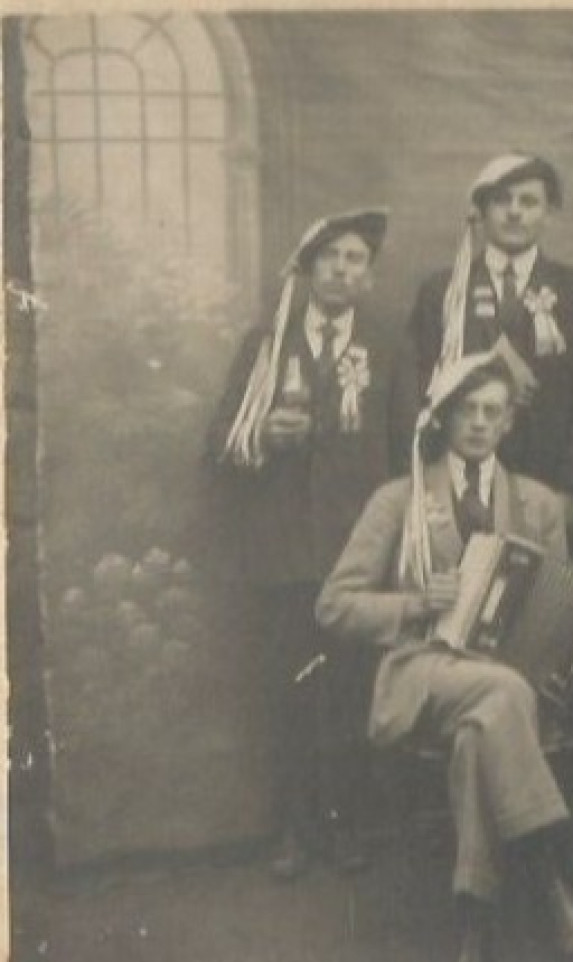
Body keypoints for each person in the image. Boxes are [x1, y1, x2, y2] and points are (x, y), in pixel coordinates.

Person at [316, 349, 573, 962]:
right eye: (466, 411)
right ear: (443, 420)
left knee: (488, 724)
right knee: (503, 696)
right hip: (422, 673)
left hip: (508, 683)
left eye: (492, 412)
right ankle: (549, 875)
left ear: (508, 424)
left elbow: (560, 612)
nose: (478, 423)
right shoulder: (399, 500)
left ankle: (473, 932)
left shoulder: (535, 503)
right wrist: (417, 602)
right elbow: (334, 605)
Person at [206, 207, 410, 880]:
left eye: (356, 260)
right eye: (330, 258)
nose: (342, 270)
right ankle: (291, 829)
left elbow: (411, 450)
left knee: (350, 691)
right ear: (306, 267)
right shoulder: (267, 344)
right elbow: (218, 446)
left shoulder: (388, 345)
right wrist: (264, 436)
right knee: (290, 690)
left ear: (370, 277)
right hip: (286, 552)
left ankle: (346, 824)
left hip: (358, 554)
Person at [407, 152, 573, 534]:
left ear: (548, 213)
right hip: (461, 482)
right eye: (502, 201)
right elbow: (420, 389)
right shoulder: (444, 291)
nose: (514, 212)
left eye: (529, 201)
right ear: (482, 212)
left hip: (550, 483)